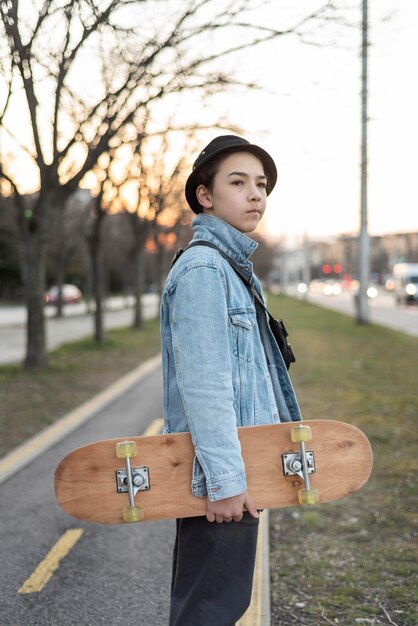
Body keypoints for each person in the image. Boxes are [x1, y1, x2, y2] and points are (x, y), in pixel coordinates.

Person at [160, 135, 302, 626]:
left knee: (214, 603)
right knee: (211, 610)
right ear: (206, 195)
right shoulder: (204, 269)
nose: (256, 194)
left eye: (260, 185)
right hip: (223, 481)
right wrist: (225, 483)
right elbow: (206, 386)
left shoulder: (232, 270)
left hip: (242, 473)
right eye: (238, 182)